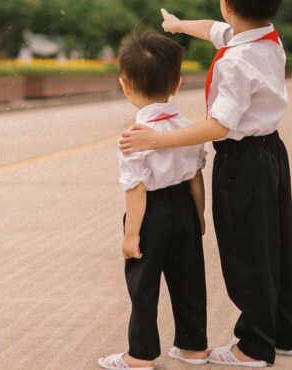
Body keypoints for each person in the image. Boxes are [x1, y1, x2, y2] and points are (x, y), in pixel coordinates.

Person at [119, 0, 292, 368]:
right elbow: (215, 30)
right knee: (276, 244)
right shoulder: (265, 39)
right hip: (272, 152)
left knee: (245, 252)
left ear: (225, 0)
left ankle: (253, 346)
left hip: (244, 162)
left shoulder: (237, 61)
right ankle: (284, 331)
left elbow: (219, 125)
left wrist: (158, 141)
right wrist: (179, 26)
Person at [98, 30, 209, 369]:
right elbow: (195, 175)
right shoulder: (187, 127)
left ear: (125, 84)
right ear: (177, 83)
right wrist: (199, 215)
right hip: (184, 210)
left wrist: (131, 235)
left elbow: (136, 191)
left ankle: (140, 354)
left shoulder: (134, 138)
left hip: (152, 215)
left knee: (143, 285)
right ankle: (194, 347)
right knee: (189, 279)